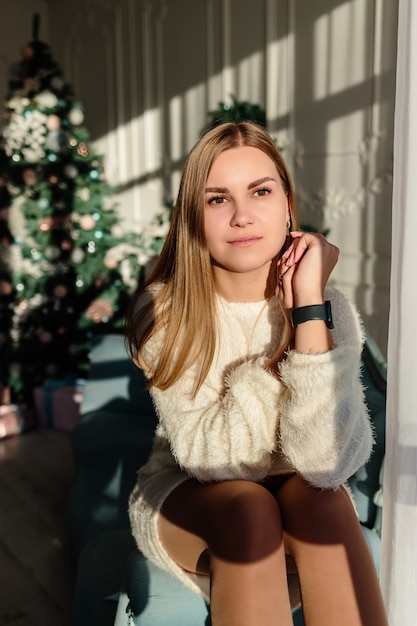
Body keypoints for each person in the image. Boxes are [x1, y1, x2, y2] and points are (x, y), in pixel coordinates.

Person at [126, 121, 388, 626]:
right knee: (249, 507)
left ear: (287, 201)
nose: (243, 215)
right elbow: (214, 461)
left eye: (260, 191)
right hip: (190, 496)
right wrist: (281, 356)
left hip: (299, 492)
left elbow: (327, 464)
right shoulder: (166, 313)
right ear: (194, 218)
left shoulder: (327, 302)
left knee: (326, 502)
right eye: (217, 199)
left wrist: (308, 312)